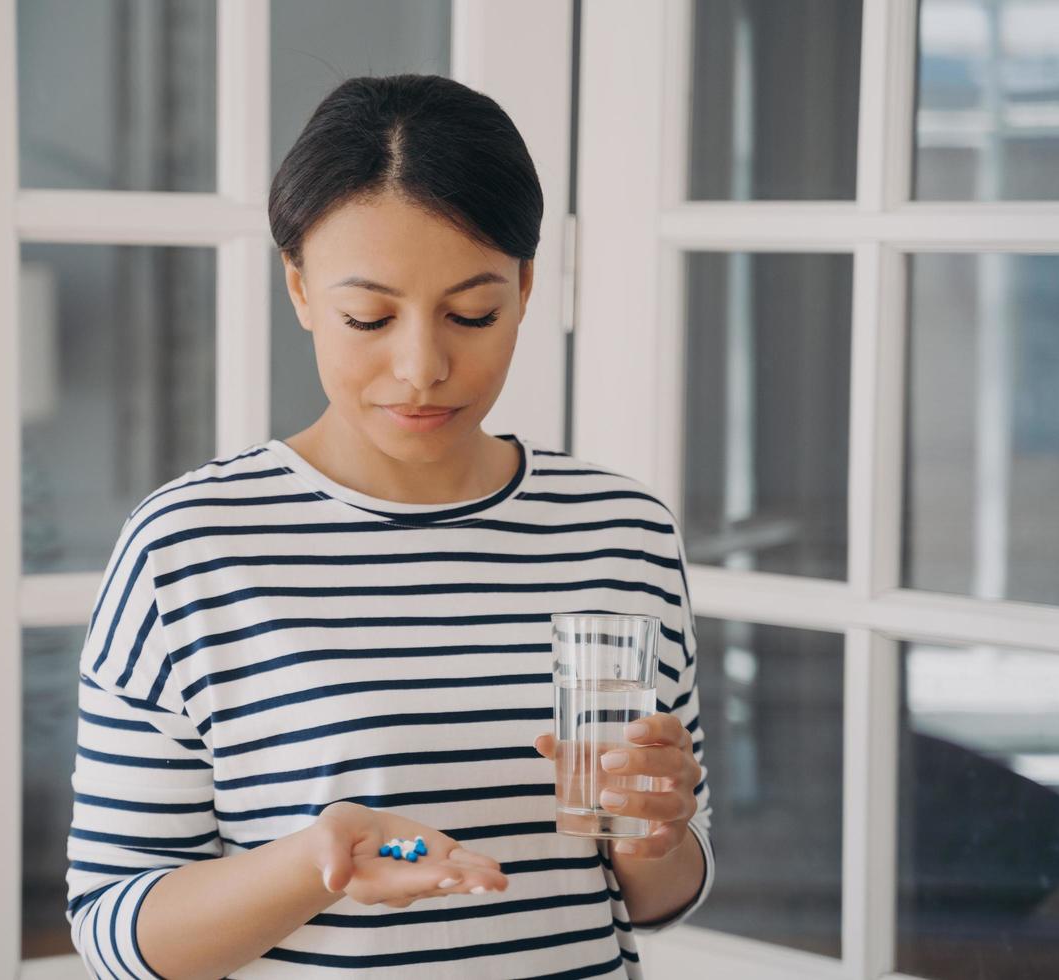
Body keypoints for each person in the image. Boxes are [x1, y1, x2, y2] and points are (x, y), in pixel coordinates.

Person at [65, 73, 713, 979]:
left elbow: (658, 893)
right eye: (368, 316)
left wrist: (656, 832)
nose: (422, 367)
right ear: (298, 288)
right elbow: (111, 928)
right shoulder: (191, 548)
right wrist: (314, 866)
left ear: (526, 287)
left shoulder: (619, 529)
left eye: (472, 313)